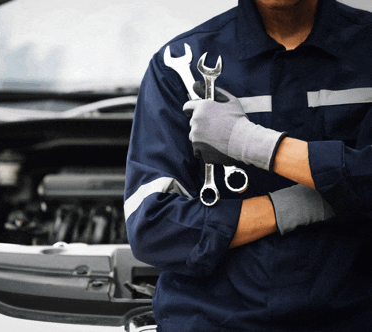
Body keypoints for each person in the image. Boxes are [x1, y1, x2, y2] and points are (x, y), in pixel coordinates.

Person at [124, 0, 372, 330]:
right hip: (216, 321)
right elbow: (154, 226)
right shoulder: (180, 68)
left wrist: (247, 141)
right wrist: (307, 202)